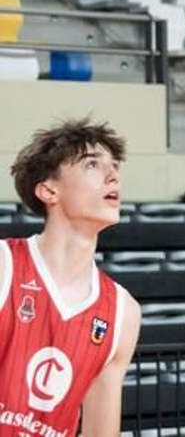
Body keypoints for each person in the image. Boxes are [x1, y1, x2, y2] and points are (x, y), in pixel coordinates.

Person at [3, 118, 142, 437]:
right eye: (92, 164)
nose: (113, 176)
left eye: (115, 165)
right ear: (49, 190)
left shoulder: (123, 312)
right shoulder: (4, 266)